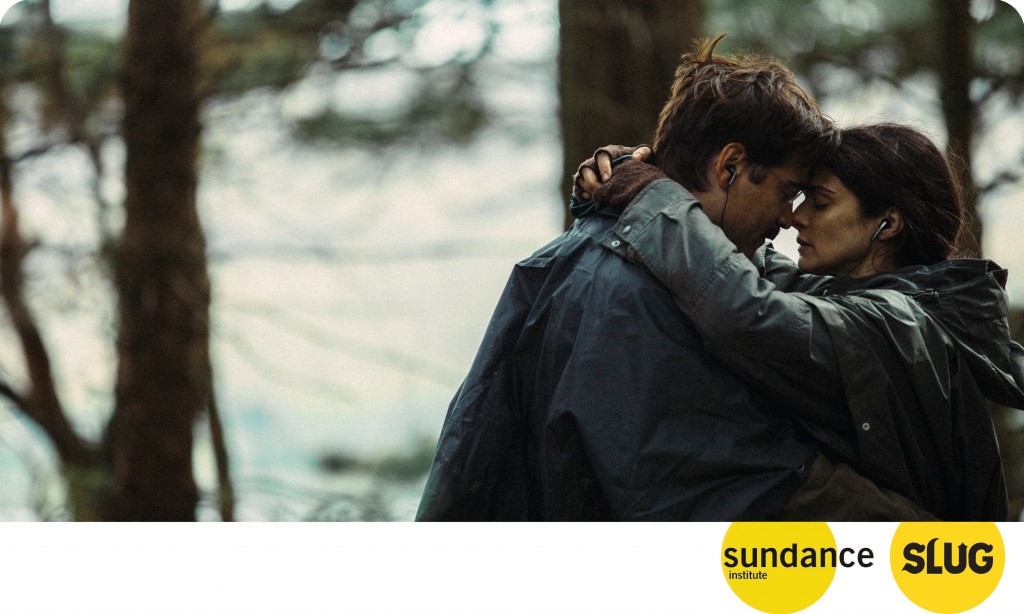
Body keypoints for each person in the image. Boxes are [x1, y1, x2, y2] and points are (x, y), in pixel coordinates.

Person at [417, 36, 927, 521]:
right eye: (786, 192)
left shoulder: (584, 258)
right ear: (729, 166)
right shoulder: (637, 294)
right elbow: (727, 487)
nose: (787, 217)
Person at [577, 123, 1024, 519]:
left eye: (820, 203)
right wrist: (643, 178)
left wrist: (653, 197)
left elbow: (746, 311)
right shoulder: (854, 299)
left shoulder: (899, 324)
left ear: (887, 225)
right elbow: (748, 266)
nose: (795, 218)